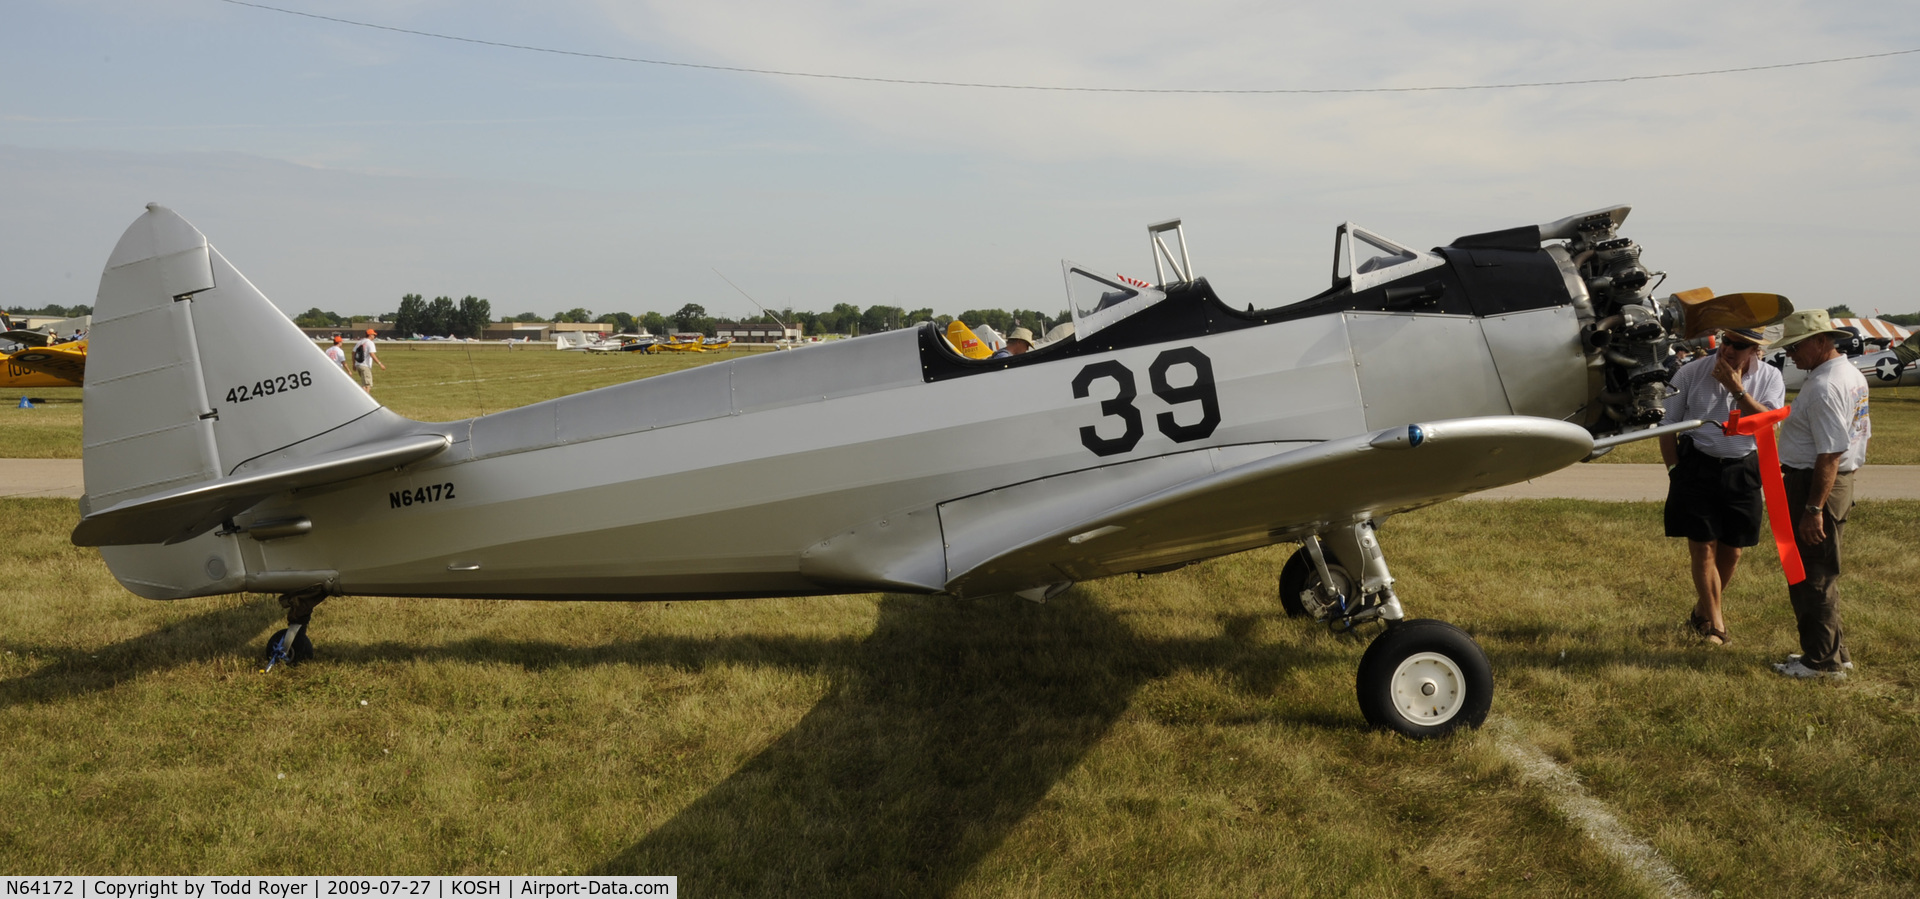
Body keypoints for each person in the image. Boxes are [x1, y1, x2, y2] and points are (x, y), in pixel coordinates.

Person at [1658, 327, 1784, 646]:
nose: (1727, 349)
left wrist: (1737, 389)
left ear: (1754, 350)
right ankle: (1715, 625)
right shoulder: (1690, 372)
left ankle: (1702, 609)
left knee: (1734, 549)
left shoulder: (1769, 377)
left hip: (1742, 467)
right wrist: (1675, 470)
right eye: (1726, 341)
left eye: (1738, 345)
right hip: (1697, 464)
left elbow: (1769, 422)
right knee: (1703, 546)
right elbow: (1666, 424)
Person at [1768, 310, 1871, 679]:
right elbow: (1859, 437)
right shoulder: (1849, 375)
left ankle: (1821, 664)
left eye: (1796, 346)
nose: (1790, 354)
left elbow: (1830, 452)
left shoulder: (1826, 386)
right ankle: (1833, 652)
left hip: (1815, 483)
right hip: (1832, 482)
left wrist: (1813, 507)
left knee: (1812, 574)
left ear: (1821, 341)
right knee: (1823, 570)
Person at [353, 328, 387, 393]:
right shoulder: (370, 343)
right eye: (373, 335)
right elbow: (372, 354)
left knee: (364, 383)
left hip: (358, 364)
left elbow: (353, 352)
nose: (374, 336)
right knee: (367, 384)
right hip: (365, 365)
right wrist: (380, 364)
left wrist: (354, 363)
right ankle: (366, 398)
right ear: (370, 335)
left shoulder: (360, 342)